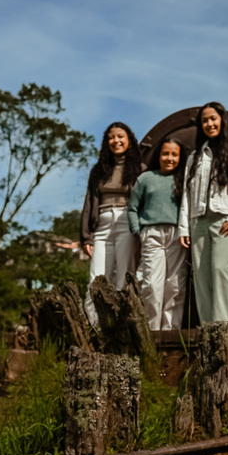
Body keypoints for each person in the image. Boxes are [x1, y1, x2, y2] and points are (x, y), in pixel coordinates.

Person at [179, 102, 228, 323]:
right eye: (205, 120)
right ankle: (207, 327)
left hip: (225, 221)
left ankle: (224, 326)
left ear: (222, 119)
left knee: (221, 269)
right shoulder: (195, 156)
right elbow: (187, 193)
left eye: (213, 118)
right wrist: (184, 227)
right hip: (198, 220)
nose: (209, 124)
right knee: (201, 276)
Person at [80, 121, 143, 324]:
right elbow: (89, 202)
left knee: (124, 277)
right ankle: (94, 326)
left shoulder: (139, 169)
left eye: (120, 137)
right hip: (102, 225)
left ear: (129, 140)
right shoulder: (98, 170)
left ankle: (120, 326)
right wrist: (85, 237)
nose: (116, 141)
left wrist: (141, 232)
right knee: (96, 279)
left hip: (127, 222)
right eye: (111, 137)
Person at [128, 138, 189, 331]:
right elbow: (132, 208)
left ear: (179, 157)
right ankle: (152, 330)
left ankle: (171, 330)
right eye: (165, 153)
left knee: (175, 285)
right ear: (158, 155)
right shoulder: (145, 178)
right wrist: (138, 231)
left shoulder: (184, 179)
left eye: (174, 154)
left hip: (177, 234)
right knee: (152, 285)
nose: (169, 158)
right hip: (151, 233)